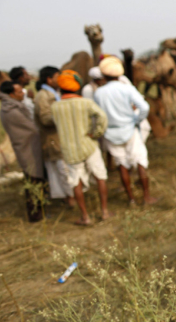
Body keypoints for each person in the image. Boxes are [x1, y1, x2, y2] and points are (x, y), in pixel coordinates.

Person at [94, 56, 157, 205]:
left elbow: (98, 115)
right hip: (130, 130)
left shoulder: (99, 93)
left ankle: (131, 199)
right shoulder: (127, 88)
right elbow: (144, 107)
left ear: (104, 75)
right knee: (140, 161)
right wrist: (137, 120)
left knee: (121, 165)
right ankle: (146, 197)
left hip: (110, 133)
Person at [51, 70, 111, 225]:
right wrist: (96, 133)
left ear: (60, 88)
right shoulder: (86, 103)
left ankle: (85, 217)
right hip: (89, 145)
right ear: (76, 87)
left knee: (75, 181)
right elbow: (102, 117)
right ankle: (104, 211)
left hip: (70, 151)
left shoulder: (55, 107)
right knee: (100, 176)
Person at [0, 81, 44, 222]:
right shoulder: (11, 111)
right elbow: (31, 129)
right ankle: (35, 215)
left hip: (27, 146)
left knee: (34, 180)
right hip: (27, 148)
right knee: (33, 181)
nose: (22, 93)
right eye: (19, 92)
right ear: (11, 94)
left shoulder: (11, 107)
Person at [33, 66, 74, 206]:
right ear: (49, 79)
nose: (60, 80)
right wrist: (65, 116)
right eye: (57, 77)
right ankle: (70, 197)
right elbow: (45, 119)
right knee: (62, 170)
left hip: (61, 137)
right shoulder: (42, 96)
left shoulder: (55, 93)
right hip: (53, 139)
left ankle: (70, 195)